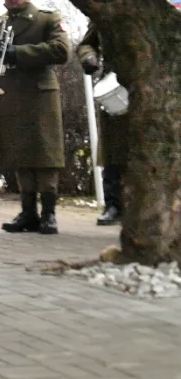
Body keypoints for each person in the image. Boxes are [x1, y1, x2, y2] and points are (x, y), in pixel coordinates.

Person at [0, 0, 70, 235]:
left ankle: (49, 213)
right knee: (19, 155)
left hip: (40, 94)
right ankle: (28, 212)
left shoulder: (46, 19)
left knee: (45, 155)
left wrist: (19, 52)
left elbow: (62, 50)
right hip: (9, 92)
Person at [77, 22, 128, 226]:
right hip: (115, 83)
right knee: (113, 150)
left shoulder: (154, 9)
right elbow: (86, 44)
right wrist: (89, 57)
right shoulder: (106, 14)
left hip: (153, 84)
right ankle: (113, 205)